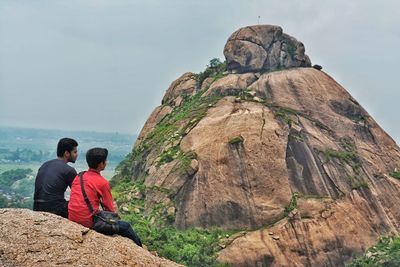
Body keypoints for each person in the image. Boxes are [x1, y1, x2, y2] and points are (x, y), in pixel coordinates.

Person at [68, 147, 142, 247]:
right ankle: (140, 248)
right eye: (105, 160)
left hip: (72, 217)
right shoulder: (102, 182)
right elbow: (110, 209)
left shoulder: (79, 176)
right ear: (101, 164)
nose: (106, 162)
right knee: (126, 226)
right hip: (88, 222)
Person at [33, 138, 78, 218]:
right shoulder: (69, 170)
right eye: (75, 152)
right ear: (66, 153)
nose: (77, 154)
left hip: (36, 207)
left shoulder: (45, 165)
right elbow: (79, 194)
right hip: (55, 209)